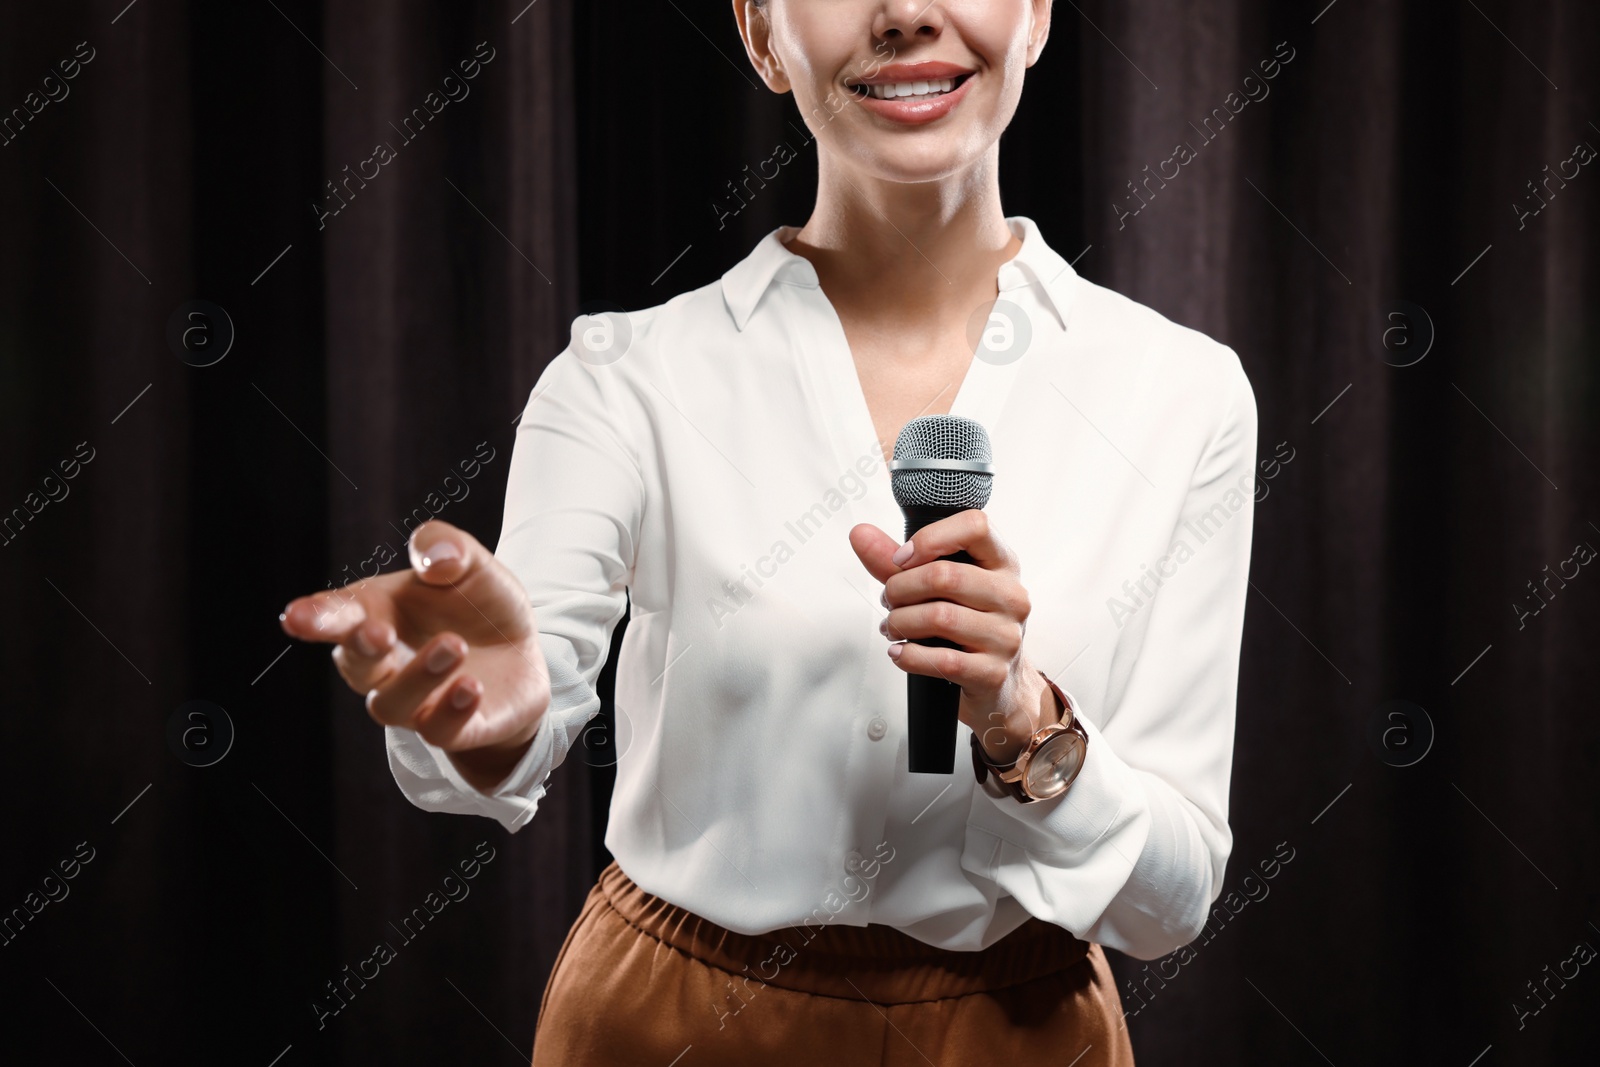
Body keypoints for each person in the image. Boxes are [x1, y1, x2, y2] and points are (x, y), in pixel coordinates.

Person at [279, 1, 1258, 1063]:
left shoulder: (1184, 393)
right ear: (758, 35)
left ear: (1034, 16)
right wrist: (481, 720)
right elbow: (511, 719)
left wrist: (1023, 718)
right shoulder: (625, 379)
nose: (907, 14)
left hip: (1023, 1034)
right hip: (674, 1027)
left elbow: (1170, 901)